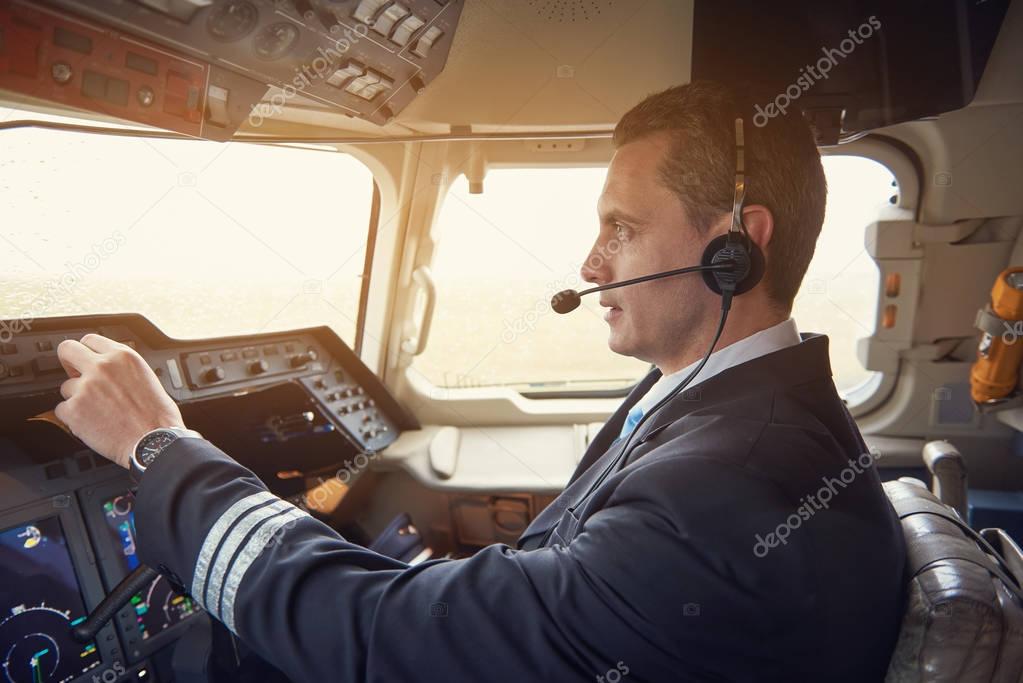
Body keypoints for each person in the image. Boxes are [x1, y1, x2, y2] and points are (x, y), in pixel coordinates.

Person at [54, 81, 905, 682]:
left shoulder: (733, 483)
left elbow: (384, 636)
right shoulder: (730, 407)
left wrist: (155, 444)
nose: (589, 262)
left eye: (621, 227)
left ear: (734, 246)